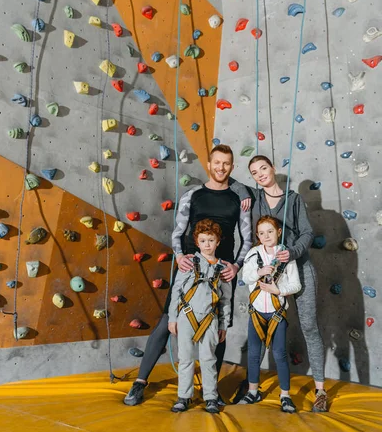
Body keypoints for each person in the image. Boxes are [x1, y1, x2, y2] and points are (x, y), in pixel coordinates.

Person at [124, 144, 252, 406]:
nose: (221, 168)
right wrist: (181, 256)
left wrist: (236, 266)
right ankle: (140, 383)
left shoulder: (240, 198)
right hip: (191, 269)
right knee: (165, 324)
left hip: (222, 271)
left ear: (232, 167)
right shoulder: (193, 194)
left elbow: (247, 240)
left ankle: (211, 392)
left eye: (226, 163)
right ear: (209, 164)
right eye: (217, 162)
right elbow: (177, 232)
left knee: (218, 330)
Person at [234, 155, 328, 412]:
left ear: (273, 168)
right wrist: (244, 189)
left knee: (309, 325)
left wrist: (294, 252)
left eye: (264, 168)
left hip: (298, 265)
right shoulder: (255, 198)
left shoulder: (294, 199)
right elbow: (229, 181)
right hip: (269, 270)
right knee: (262, 324)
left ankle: (320, 390)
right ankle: (253, 387)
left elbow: (307, 232)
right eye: (254, 172)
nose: (260, 174)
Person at [168, 219, 231, 414]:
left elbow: (226, 299)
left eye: (211, 240)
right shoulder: (188, 263)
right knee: (185, 358)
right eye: (203, 241)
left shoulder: (223, 268)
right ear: (197, 242)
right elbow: (176, 291)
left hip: (210, 319)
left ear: (218, 242)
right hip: (187, 316)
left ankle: (210, 397)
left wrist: (224, 324)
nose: (207, 245)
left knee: (208, 359)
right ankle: (183, 396)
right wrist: (172, 317)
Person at [238, 216, 301, 413]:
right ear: (257, 235)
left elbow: (296, 284)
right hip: (257, 313)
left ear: (278, 232)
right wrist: (259, 271)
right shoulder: (253, 254)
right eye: (262, 233)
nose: (266, 236)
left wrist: (278, 291)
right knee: (254, 354)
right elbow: (245, 277)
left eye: (270, 231)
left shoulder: (285, 256)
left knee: (279, 354)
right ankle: (253, 391)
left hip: (276, 312)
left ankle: (285, 395)